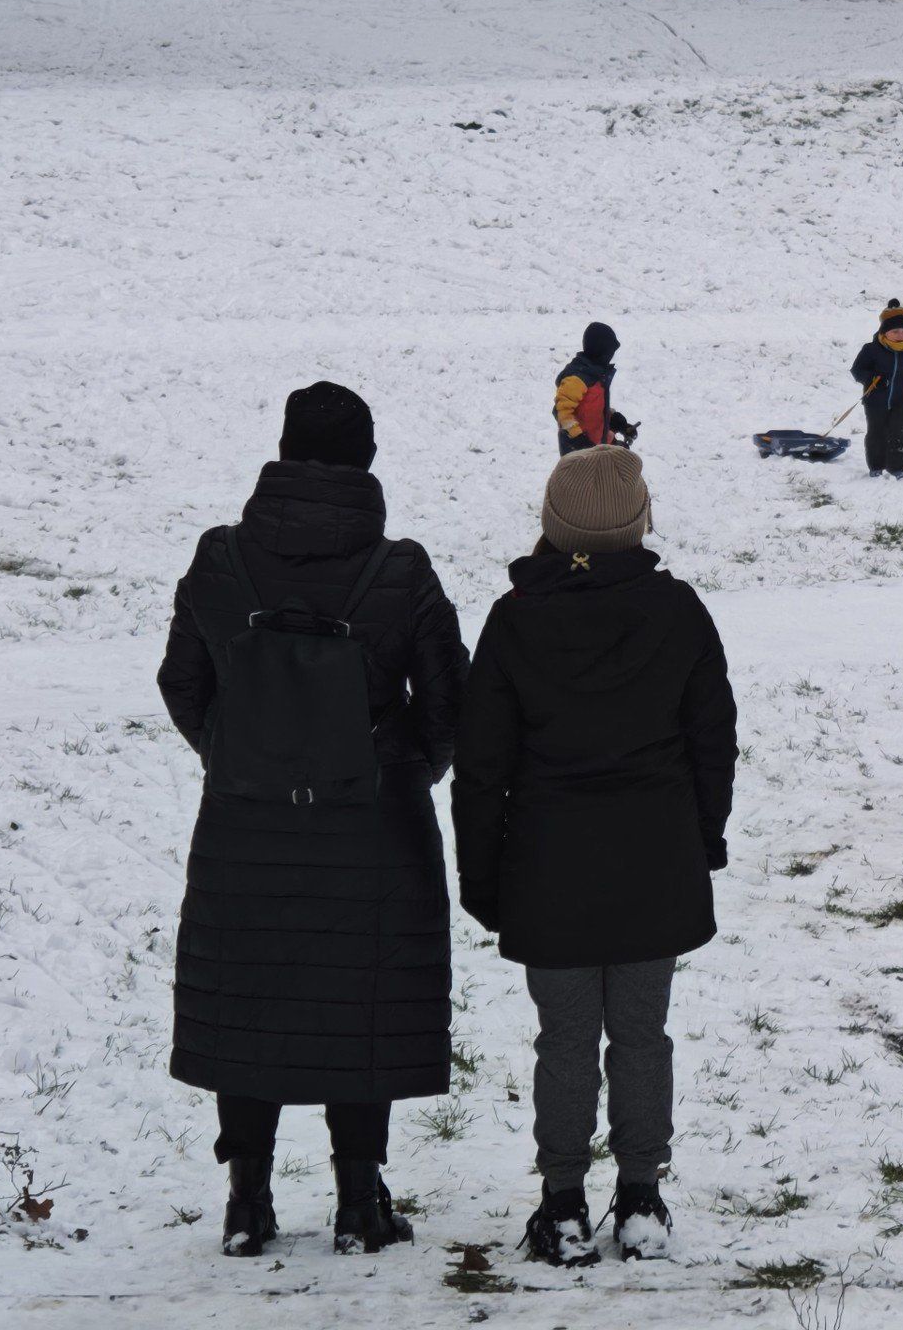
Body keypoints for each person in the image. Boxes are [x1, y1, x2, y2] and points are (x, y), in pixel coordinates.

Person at [156, 381, 468, 1258]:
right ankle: (359, 1202)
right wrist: (393, 768)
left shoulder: (220, 559)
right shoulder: (401, 569)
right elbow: (451, 704)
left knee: (252, 999)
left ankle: (247, 1202)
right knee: (357, 1002)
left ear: (285, 452)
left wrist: (238, 756)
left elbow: (181, 683)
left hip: (244, 829)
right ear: (367, 460)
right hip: (371, 831)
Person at [451, 446, 738, 1268]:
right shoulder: (677, 610)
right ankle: (642, 1196)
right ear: (637, 521)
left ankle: (563, 1204)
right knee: (644, 1036)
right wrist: (703, 839)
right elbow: (712, 740)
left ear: (553, 524)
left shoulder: (516, 619)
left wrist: (481, 875)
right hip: (655, 862)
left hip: (549, 869)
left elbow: (482, 765)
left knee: (566, 1041)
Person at [849, 299, 903, 479]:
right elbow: (857, 370)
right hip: (875, 401)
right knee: (877, 433)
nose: (900, 335)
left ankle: (898, 467)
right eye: (895, 331)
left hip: (901, 401)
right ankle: (877, 466)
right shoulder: (871, 350)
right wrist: (871, 378)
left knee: (902, 433)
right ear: (884, 331)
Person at [556, 322, 638, 456]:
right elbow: (562, 412)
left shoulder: (596, 375)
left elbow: (593, 411)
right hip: (578, 454)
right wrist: (578, 440)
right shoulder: (577, 378)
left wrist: (617, 423)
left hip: (597, 446)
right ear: (600, 352)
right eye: (609, 353)